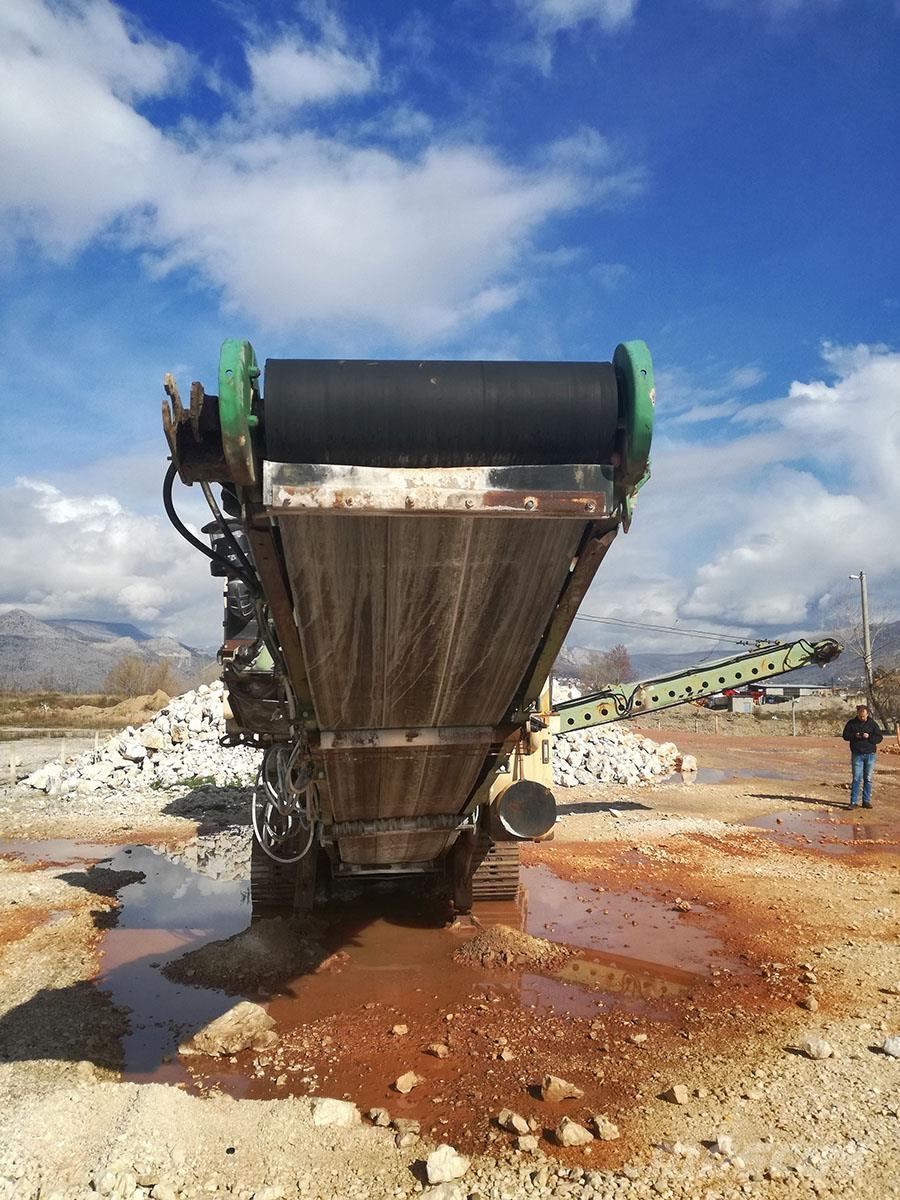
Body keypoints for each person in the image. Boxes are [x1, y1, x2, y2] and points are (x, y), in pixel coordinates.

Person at [841, 704, 882, 809]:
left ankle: (866, 801)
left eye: (864, 716)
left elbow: (879, 738)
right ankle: (853, 802)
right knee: (856, 778)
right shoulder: (851, 723)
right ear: (857, 714)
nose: (862, 718)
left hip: (870, 754)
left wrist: (869, 736)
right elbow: (845, 736)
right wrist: (855, 735)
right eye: (860, 716)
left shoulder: (872, 724)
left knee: (868, 778)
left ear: (867, 714)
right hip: (857, 754)